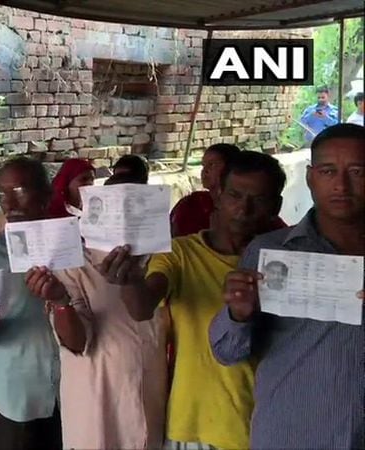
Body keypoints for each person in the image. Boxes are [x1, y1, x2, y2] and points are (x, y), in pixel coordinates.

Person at [100, 150, 287, 449]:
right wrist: (132, 279)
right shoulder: (180, 254)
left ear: (276, 206)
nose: (243, 209)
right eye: (235, 196)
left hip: (266, 423)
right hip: (194, 424)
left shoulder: (285, 262)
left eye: (258, 199)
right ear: (218, 195)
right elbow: (141, 307)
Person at [210, 124, 365, 448]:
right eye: (327, 171)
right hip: (293, 433)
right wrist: (238, 314)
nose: (341, 185)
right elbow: (226, 352)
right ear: (310, 178)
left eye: (357, 171)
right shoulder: (271, 251)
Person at [25, 176, 167, 449]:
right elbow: (77, 342)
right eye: (115, 207)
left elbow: (150, 312)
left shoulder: (163, 260)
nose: (125, 217)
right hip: (97, 404)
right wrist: (60, 300)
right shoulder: (72, 262)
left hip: (152, 398)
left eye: (137, 207)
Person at [0, 157, 62, 450]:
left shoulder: (70, 248)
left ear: (46, 197)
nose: (9, 202)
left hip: (68, 387)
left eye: (19, 190)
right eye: (1, 193)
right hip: (13, 391)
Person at [170, 143, 240, 237]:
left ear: (231, 168)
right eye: (203, 165)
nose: (205, 170)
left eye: (212, 165)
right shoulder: (192, 203)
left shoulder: (242, 209)